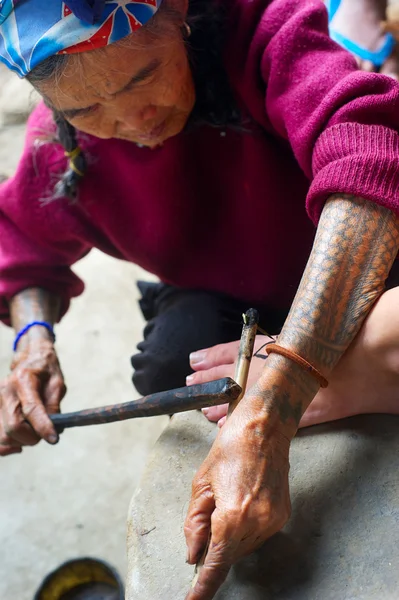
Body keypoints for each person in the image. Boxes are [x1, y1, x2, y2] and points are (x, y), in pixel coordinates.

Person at [1, 1, 399, 599]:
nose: (133, 120)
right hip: (227, 282)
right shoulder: (59, 148)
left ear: (181, 14)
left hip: (349, 259)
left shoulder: (263, 31)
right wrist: (32, 340)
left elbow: (369, 158)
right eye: (85, 109)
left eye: (144, 75)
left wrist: (278, 400)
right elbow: (23, 247)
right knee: (171, 366)